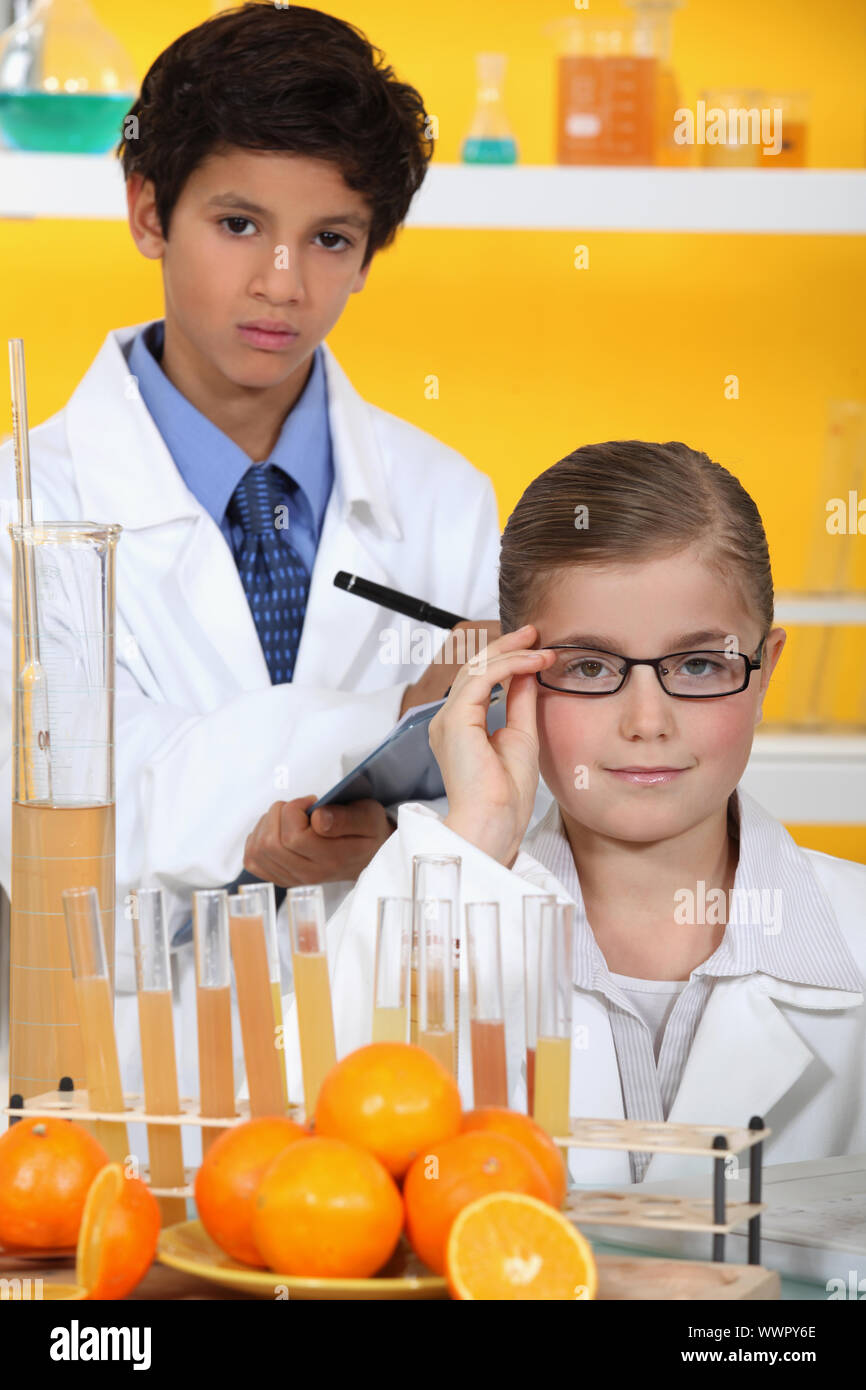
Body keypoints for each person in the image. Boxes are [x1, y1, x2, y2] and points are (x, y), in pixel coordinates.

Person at [0, 5, 500, 1122]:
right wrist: (391, 720)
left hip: (371, 1093)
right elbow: (60, 803)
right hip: (104, 1097)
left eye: (328, 237)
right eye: (237, 223)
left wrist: (451, 762)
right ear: (146, 210)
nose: (281, 280)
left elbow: (498, 829)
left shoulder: (444, 502)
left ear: (369, 253)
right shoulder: (25, 505)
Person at [307, 440, 866, 1185]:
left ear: (765, 673)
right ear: (509, 681)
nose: (647, 721)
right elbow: (310, 1165)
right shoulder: (435, 909)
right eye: (591, 668)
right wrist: (472, 843)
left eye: (699, 664)